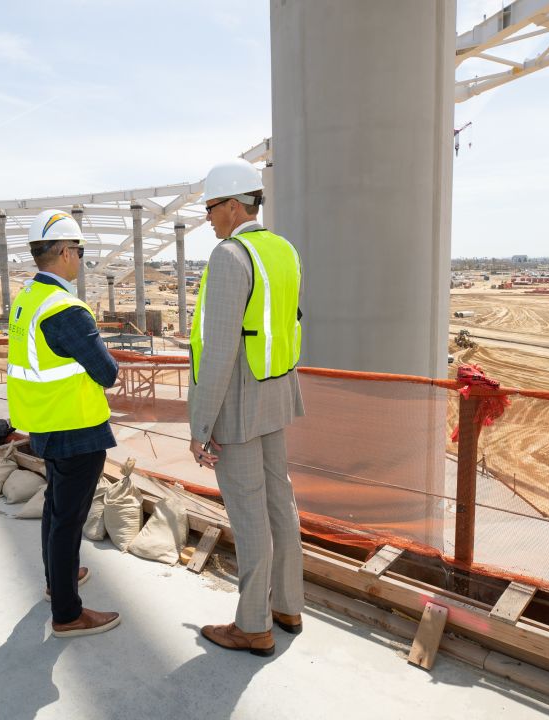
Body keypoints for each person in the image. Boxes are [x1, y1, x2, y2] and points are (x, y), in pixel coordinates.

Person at [188, 159, 306, 656]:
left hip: (237, 404)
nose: (209, 218)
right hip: (276, 396)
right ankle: (288, 606)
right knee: (280, 503)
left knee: (250, 514)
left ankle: (253, 625)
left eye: (212, 208)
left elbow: (217, 352)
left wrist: (200, 425)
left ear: (235, 205)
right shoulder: (283, 250)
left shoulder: (229, 257)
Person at [7, 209, 121, 638]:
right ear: (63, 252)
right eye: (79, 251)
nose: (80, 259)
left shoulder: (26, 299)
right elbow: (106, 371)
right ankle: (68, 613)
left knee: (56, 508)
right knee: (67, 517)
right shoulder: (65, 308)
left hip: (44, 422)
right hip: (76, 427)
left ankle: (59, 581)